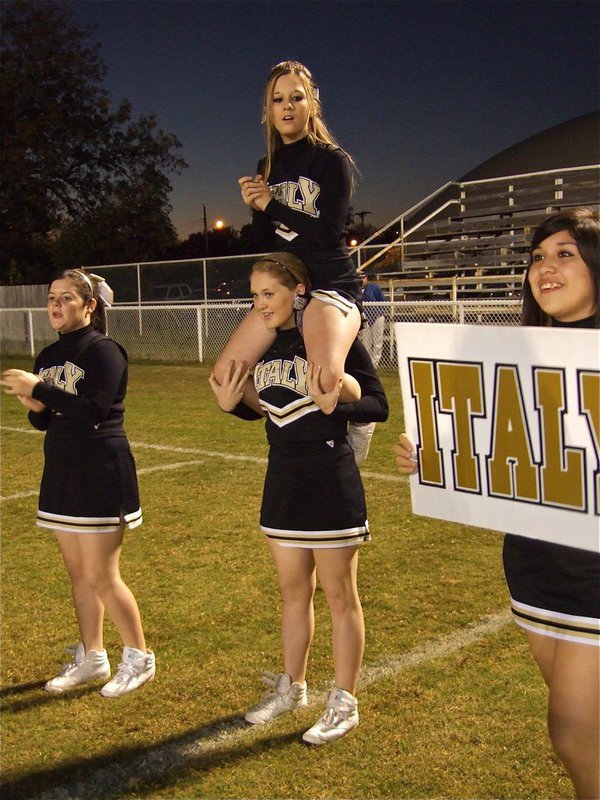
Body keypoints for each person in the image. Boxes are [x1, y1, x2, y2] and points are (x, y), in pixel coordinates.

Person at [394, 208, 599, 799]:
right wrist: (432, 455)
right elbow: (505, 448)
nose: (546, 267)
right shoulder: (517, 351)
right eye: (537, 257)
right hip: (536, 568)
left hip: (596, 575)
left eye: (565, 253)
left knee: (574, 734)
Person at [209, 252, 388, 745]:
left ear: (299, 291)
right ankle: (293, 687)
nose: (259, 305)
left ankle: (344, 701)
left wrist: (343, 397)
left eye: (269, 293)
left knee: (339, 596)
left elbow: (379, 404)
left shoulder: (332, 338)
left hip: (330, 477)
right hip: (283, 478)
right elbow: (269, 406)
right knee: (293, 594)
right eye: (254, 296)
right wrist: (232, 404)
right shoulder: (263, 346)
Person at [1, 269, 155, 698]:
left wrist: (41, 391)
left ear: (89, 306)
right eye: (52, 297)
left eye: (67, 298)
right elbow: (45, 420)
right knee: (79, 575)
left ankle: (139, 657)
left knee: (103, 575)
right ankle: (93, 657)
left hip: (101, 468)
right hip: (63, 469)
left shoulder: (106, 351)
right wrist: (33, 402)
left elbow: (93, 411)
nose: (56, 305)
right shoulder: (47, 355)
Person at [214, 59, 363, 408]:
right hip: (285, 288)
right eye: (278, 99)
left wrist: (272, 206)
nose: (287, 107)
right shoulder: (266, 165)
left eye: (296, 98)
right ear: (268, 109)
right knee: (226, 375)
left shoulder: (331, 160)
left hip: (329, 284)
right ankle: (286, 424)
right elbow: (265, 245)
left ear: (311, 103)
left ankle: (361, 413)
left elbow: (328, 234)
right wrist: (256, 209)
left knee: (325, 379)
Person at [358, 271, 386, 369]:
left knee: (378, 341)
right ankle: (368, 364)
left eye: (363, 277)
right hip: (365, 317)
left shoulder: (374, 287)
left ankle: (375, 364)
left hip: (377, 316)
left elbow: (382, 301)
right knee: (366, 342)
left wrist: (380, 312)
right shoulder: (357, 289)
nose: (362, 279)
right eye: (360, 277)